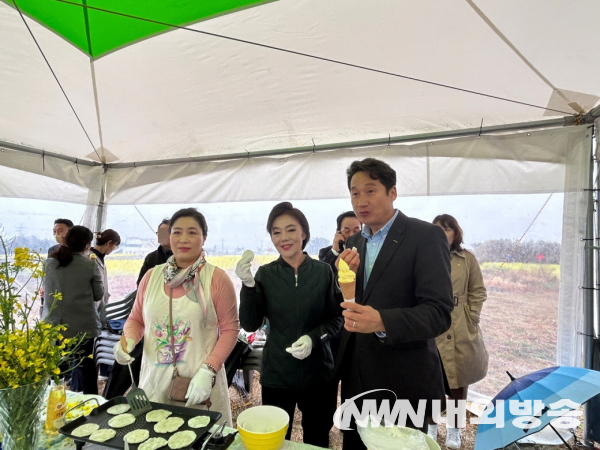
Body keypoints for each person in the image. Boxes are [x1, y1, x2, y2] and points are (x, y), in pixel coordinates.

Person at [335, 158, 454, 450]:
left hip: (402, 377)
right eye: (354, 192)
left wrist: (382, 321)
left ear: (392, 193)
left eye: (370, 190)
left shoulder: (424, 236)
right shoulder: (355, 244)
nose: (361, 200)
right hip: (357, 375)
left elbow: (439, 313)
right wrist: (342, 283)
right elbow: (353, 302)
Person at [113, 208, 239, 425]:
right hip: (154, 381)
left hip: (198, 384)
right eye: (177, 232)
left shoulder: (216, 279)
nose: (184, 239)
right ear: (168, 237)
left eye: (192, 233)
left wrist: (209, 370)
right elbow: (136, 319)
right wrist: (128, 341)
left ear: (204, 238)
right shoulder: (151, 276)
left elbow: (230, 330)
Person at [236, 202, 343, 448]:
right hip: (277, 373)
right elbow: (250, 324)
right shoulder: (266, 274)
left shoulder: (323, 272)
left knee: (316, 437)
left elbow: (336, 318)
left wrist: (313, 338)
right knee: (274, 438)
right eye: (276, 232)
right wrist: (249, 287)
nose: (284, 238)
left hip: (318, 373)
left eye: (291, 230)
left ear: (304, 233)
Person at [430, 214, 488, 449]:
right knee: (430, 379)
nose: (442, 234)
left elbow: (478, 291)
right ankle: (431, 426)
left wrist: (471, 317)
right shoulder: (423, 257)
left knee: (458, 381)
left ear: (456, 232)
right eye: (437, 229)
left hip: (460, 326)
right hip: (432, 324)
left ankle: (454, 429)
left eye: (447, 229)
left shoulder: (467, 259)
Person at [103, 219, 172, 399]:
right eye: (159, 233)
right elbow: (141, 286)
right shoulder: (152, 258)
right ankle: (110, 398)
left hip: (173, 322)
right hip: (150, 314)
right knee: (132, 353)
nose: (162, 236)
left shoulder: (187, 260)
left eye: (166, 232)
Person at [43, 225, 104, 395]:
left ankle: (51, 401)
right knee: (86, 367)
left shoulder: (48, 263)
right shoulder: (89, 265)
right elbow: (98, 295)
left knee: (53, 368)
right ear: (87, 245)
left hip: (53, 324)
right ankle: (92, 403)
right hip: (82, 326)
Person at [90, 229, 121, 381]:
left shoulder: (100, 258)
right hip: (91, 306)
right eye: (115, 246)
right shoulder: (90, 257)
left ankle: (102, 372)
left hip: (100, 305)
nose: (113, 250)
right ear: (109, 243)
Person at [319, 211, 361, 277]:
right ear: (339, 232)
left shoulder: (368, 250)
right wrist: (334, 251)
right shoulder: (325, 252)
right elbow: (322, 275)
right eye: (347, 231)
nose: (351, 235)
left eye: (356, 231)